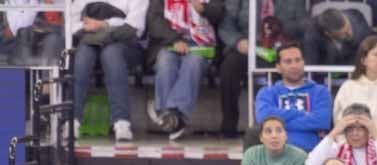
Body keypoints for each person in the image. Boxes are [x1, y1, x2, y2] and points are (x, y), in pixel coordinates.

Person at [216, 0, 308, 138]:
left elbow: (304, 25)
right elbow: (226, 24)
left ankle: (285, 126)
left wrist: (280, 27)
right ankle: (229, 125)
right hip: (248, 47)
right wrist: (237, 41)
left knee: (287, 66)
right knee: (229, 67)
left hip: (280, 47)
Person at [69, 0, 146, 142]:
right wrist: (90, 29)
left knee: (111, 54)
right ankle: (72, 121)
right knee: (82, 56)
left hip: (125, 44)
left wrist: (104, 25)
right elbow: (71, 25)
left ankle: (121, 122)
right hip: (89, 39)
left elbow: (134, 27)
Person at [144, 0, 221, 139]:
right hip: (167, 41)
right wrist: (175, 40)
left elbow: (221, 12)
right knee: (165, 61)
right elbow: (154, 21)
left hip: (201, 44)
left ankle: (166, 112)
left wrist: (204, 9)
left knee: (194, 62)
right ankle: (175, 119)